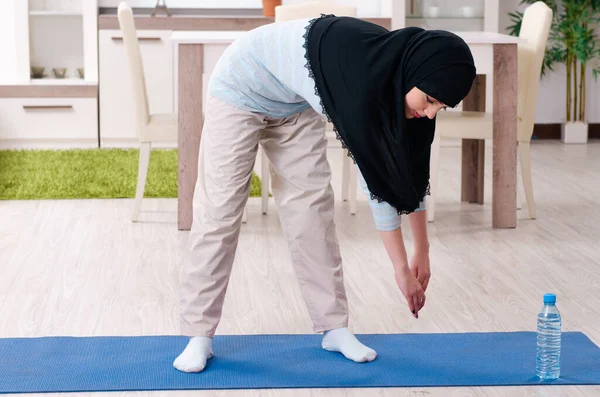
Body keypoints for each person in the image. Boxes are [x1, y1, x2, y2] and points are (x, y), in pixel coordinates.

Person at [173, 14, 476, 373]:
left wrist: (421, 250)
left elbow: (409, 173)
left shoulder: (404, 83)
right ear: (416, 76)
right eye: (428, 100)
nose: (429, 113)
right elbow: (375, 179)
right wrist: (400, 269)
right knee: (221, 210)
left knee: (312, 211)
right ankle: (199, 335)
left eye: (440, 107)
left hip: (294, 103)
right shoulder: (364, 82)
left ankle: (334, 328)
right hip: (242, 85)